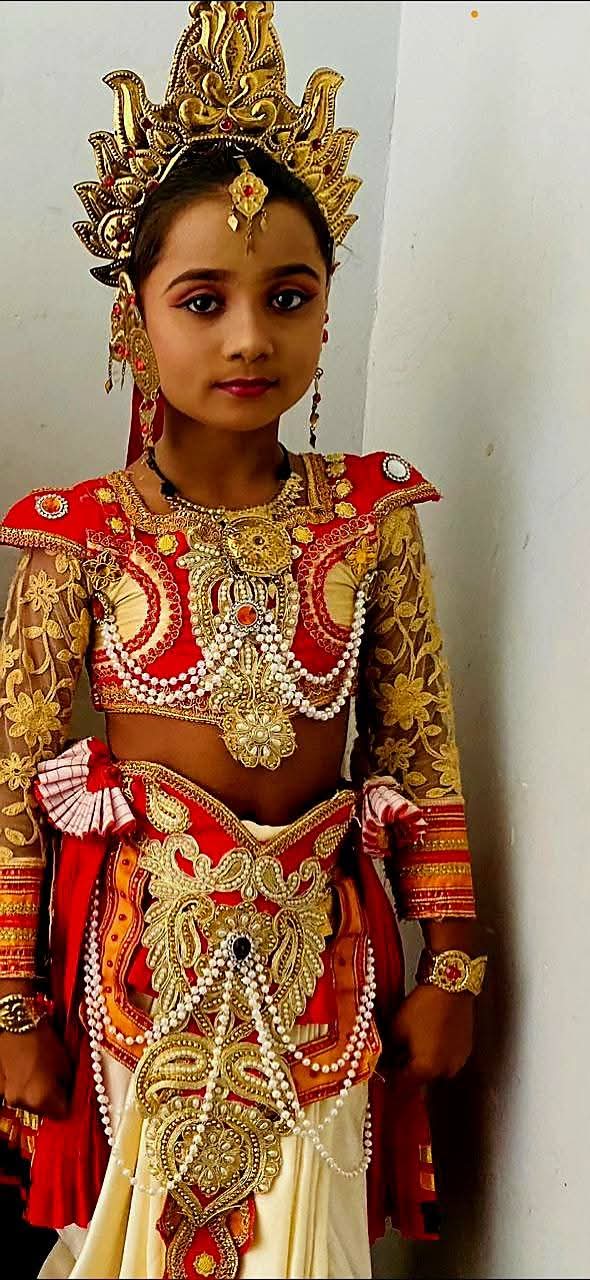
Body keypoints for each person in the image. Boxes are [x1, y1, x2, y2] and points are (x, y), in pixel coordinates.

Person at [0, 4, 487, 1277]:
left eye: (288, 297)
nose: (247, 337)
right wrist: (9, 1002)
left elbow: (417, 750)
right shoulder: (78, 533)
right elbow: (13, 786)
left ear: (325, 313)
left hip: (320, 968)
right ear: (135, 319)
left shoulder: (369, 518)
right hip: (135, 972)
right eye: (202, 300)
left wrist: (453, 962)